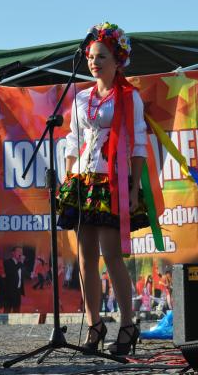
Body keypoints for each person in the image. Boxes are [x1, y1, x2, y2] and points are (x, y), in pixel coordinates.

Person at [55, 22, 150, 355]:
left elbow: (139, 143)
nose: (94, 62)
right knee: (85, 259)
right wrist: (69, 176)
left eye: (102, 57)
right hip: (82, 179)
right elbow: (72, 139)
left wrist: (135, 186)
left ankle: (127, 323)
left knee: (112, 256)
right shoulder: (81, 97)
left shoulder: (129, 96)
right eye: (92, 57)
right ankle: (94, 323)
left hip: (111, 180)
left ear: (117, 60)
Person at [2, 246, 26, 313]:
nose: (20, 253)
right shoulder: (7, 262)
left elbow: (22, 274)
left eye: (21, 252)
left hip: (17, 291)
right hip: (9, 291)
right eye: (18, 251)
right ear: (13, 253)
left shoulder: (21, 264)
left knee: (17, 310)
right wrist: (21, 262)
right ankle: (5, 323)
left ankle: (16, 323)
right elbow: (12, 272)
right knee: (7, 309)